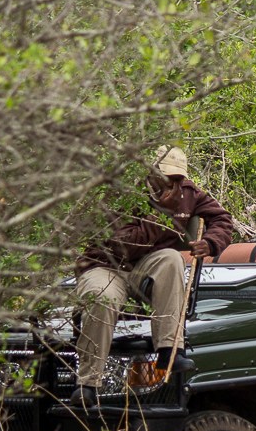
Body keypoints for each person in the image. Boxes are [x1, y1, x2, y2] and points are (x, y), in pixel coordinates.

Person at [72, 146, 234, 405]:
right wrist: (161, 214)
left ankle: (170, 350)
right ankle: (88, 383)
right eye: (168, 176)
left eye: (178, 178)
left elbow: (223, 219)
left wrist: (212, 242)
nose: (174, 183)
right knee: (101, 298)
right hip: (106, 265)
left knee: (171, 259)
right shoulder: (119, 192)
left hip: (145, 268)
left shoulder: (188, 193)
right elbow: (122, 244)